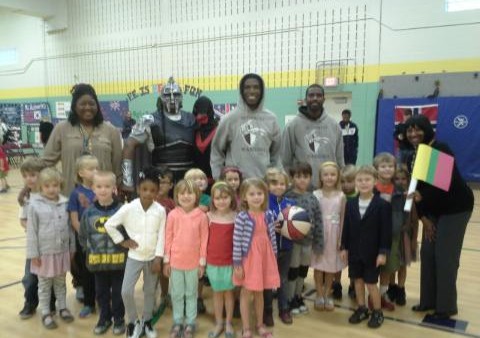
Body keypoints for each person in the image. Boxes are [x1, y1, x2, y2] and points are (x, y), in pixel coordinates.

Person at [405, 115, 474, 320]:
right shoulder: (414, 154)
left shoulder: (440, 149)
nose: (413, 134)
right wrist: (424, 218)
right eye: (409, 130)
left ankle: (446, 306)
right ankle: (428, 301)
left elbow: (443, 187)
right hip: (433, 211)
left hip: (456, 208)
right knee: (428, 253)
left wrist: (421, 197)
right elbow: (417, 189)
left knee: (445, 256)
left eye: (417, 129)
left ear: (427, 129)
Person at [105, 167, 166, 338]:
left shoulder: (160, 210)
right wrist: (122, 241)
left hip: (152, 258)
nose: (148, 193)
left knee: (149, 291)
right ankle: (132, 322)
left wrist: (159, 258)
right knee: (126, 291)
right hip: (134, 257)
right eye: (145, 189)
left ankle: (147, 321)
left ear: (157, 192)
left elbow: (162, 235)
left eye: (153, 190)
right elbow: (109, 225)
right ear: (138, 189)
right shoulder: (129, 208)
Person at [43, 83, 122, 196]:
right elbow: (46, 162)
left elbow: (117, 166)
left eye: (91, 104)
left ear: (97, 106)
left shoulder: (111, 130)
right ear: (74, 106)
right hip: (71, 197)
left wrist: (119, 188)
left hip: (103, 199)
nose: (87, 107)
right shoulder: (62, 129)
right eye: (82, 104)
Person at [121, 77, 196, 192]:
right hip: (161, 181)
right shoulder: (149, 120)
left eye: (176, 94)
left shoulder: (191, 119)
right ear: (161, 98)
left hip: (188, 181)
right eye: (167, 95)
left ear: (181, 97)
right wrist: (127, 181)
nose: (172, 99)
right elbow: (129, 145)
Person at [340, 165, 392, 329]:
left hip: (372, 253)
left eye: (367, 179)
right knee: (357, 281)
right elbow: (346, 227)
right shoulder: (351, 203)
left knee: (371, 283)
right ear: (355, 182)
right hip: (355, 252)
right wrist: (344, 247)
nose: (363, 183)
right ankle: (361, 308)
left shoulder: (382, 205)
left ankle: (377, 311)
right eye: (360, 180)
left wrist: (383, 252)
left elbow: (386, 232)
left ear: (375, 181)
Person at [26, 168, 76, 329]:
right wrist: (33, 253)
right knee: (45, 285)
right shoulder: (34, 206)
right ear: (41, 187)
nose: (51, 189)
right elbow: (32, 232)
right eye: (47, 186)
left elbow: (70, 228)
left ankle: (62, 307)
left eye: (55, 185)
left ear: (59, 186)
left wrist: (72, 248)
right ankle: (46, 312)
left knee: (61, 283)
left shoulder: (65, 203)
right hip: (44, 254)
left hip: (61, 252)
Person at [79, 171, 127, 335]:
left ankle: (119, 319)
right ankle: (104, 318)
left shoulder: (123, 210)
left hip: (119, 262)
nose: (103, 190)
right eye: (99, 186)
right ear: (93, 188)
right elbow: (83, 236)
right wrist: (90, 251)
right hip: (98, 263)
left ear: (114, 188)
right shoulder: (88, 213)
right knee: (101, 294)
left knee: (119, 293)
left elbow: (129, 233)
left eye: (107, 186)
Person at [210, 73, 282, 180]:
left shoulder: (271, 119)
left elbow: (277, 154)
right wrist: (219, 179)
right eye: (247, 87)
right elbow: (217, 152)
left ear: (262, 91)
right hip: (236, 186)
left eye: (256, 87)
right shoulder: (229, 119)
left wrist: (275, 178)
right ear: (241, 91)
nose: (252, 91)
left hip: (262, 185)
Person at [233, 178, 280, 338]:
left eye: (259, 193)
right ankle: (246, 328)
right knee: (246, 292)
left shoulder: (268, 214)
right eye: (252, 194)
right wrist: (237, 264)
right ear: (244, 197)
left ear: (265, 195)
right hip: (249, 259)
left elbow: (272, 236)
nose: (256, 197)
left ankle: (260, 325)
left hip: (264, 258)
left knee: (260, 293)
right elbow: (237, 241)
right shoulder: (242, 217)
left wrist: (273, 257)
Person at [163, 180, 209, 338]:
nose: (186, 196)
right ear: (176, 195)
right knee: (177, 293)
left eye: (189, 193)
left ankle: (190, 322)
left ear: (197, 196)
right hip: (175, 262)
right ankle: (177, 321)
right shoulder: (173, 215)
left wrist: (202, 263)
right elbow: (167, 238)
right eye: (182, 193)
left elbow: (204, 241)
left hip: (194, 263)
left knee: (191, 294)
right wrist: (166, 261)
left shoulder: (201, 216)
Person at [281, 84, 344, 188]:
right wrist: (290, 185)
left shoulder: (334, 126)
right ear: (306, 99)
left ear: (324, 99)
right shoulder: (292, 126)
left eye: (319, 95)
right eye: (311, 95)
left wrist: (339, 184)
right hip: (301, 189)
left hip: (328, 189)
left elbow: (340, 160)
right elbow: (285, 161)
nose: (315, 98)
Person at [285, 162, 324, 315]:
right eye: (298, 176)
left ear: (310, 178)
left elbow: (319, 220)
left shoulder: (312, 198)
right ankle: (289, 298)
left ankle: (298, 296)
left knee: (302, 270)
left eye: (306, 177)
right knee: (292, 270)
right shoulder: (287, 196)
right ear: (292, 178)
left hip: (308, 242)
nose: (302, 180)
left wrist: (319, 243)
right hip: (293, 242)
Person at [18, 158, 53, 319]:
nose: (28, 179)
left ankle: (51, 303)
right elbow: (23, 220)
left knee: (50, 276)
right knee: (30, 278)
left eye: (32, 175)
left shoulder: (51, 195)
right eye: (25, 176)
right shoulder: (26, 198)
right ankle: (30, 303)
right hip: (34, 247)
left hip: (51, 246)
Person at [311, 162, 346, 311]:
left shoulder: (341, 196)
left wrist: (341, 239)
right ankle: (319, 293)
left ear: (337, 176)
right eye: (326, 174)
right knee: (318, 265)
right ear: (320, 176)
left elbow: (343, 218)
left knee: (331, 266)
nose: (329, 177)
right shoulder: (315, 194)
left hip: (334, 233)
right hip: (319, 233)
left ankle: (327, 293)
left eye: (333, 174)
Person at [67, 155, 99, 316]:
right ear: (81, 173)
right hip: (85, 241)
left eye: (97, 168)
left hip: (101, 240)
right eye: (91, 169)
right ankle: (88, 302)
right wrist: (84, 237)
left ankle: (102, 297)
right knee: (87, 272)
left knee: (101, 270)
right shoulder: (75, 194)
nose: (95, 172)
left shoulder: (102, 190)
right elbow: (74, 219)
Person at [205, 182, 237, 338]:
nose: (221, 201)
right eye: (217, 198)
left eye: (225, 197)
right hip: (213, 262)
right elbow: (204, 240)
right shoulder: (208, 217)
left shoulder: (236, 217)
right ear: (212, 199)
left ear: (231, 198)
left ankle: (229, 322)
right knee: (217, 293)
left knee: (229, 293)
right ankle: (219, 322)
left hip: (230, 262)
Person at [265, 168, 295, 325]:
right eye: (274, 183)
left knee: (283, 279)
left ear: (287, 185)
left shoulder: (291, 203)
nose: (278, 187)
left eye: (282, 184)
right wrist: (270, 225)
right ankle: (268, 311)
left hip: (287, 247)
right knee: (269, 281)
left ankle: (284, 309)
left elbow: (299, 226)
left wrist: (294, 227)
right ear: (268, 185)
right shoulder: (263, 202)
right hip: (269, 249)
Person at [387, 168, 419, 306]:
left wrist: (413, 240)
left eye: (403, 179)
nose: (400, 181)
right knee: (392, 265)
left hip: (405, 236)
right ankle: (391, 287)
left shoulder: (410, 197)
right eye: (397, 179)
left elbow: (415, 221)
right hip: (392, 236)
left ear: (408, 180)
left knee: (402, 265)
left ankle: (401, 289)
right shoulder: (391, 196)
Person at [373, 152, 397, 312]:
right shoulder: (371, 187)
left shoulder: (398, 189)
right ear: (376, 169)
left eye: (390, 166)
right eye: (383, 166)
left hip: (391, 235)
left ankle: (383, 295)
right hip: (374, 235)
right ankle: (371, 295)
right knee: (371, 267)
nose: (387, 169)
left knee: (387, 268)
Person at [336, 164, 358, 300]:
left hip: (355, 236)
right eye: (342, 182)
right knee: (337, 261)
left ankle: (353, 285)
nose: (346, 185)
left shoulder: (359, 197)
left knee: (354, 262)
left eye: (350, 181)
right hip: (340, 234)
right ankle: (336, 284)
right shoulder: (338, 197)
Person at [192, 96, 218, 189]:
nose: (201, 115)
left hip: (217, 181)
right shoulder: (192, 131)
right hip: (196, 183)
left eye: (204, 110)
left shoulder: (220, 130)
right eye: (199, 110)